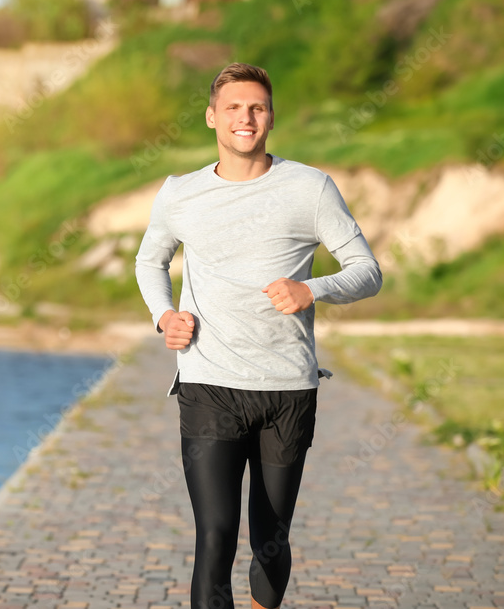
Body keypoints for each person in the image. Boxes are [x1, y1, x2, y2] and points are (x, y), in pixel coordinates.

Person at [134, 62, 382, 609]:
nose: (246, 118)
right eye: (233, 108)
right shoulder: (181, 193)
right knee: (215, 535)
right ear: (211, 118)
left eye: (257, 108)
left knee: (270, 541)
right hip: (209, 383)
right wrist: (163, 315)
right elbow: (149, 261)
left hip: (287, 388)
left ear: (270, 116)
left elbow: (368, 270)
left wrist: (312, 289)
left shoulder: (310, 187)